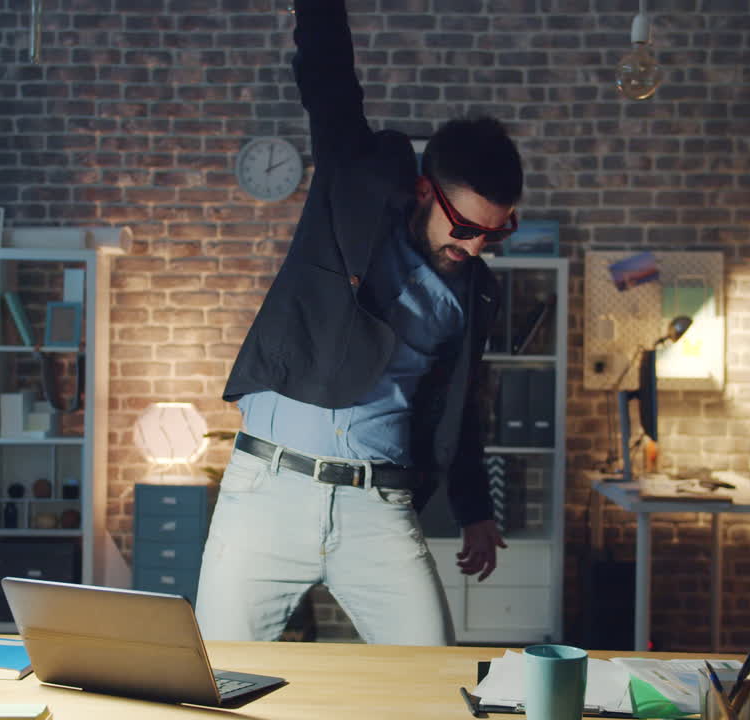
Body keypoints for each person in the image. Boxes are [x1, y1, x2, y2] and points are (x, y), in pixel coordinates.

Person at [194, 0, 523, 646]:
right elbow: (328, 72)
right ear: (427, 192)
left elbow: (459, 411)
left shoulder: (474, 294)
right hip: (267, 493)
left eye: (496, 232)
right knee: (210, 685)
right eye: (465, 229)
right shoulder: (354, 185)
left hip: (379, 510)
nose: (478, 247)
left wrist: (476, 513)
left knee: (434, 685)